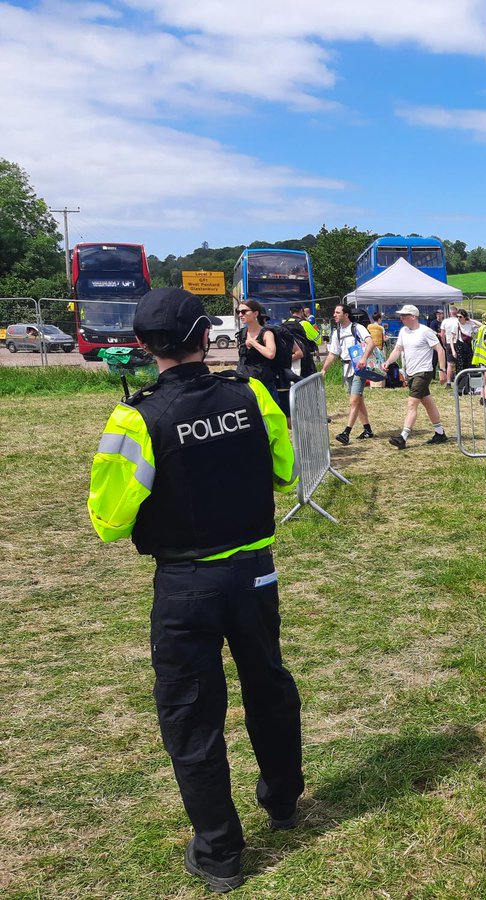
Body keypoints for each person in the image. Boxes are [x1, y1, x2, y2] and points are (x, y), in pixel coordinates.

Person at [87, 288, 303, 894]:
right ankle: (283, 799)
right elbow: (286, 470)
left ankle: (219, 852)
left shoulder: (135, 418)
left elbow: (109, 522)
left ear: (141, 346)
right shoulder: (251, 393)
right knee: (268, 683)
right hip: (254, 572)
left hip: (185, 583)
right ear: (207, 338)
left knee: (190, 711)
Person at [384, 304, 449, 448]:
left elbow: (440, 350)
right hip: (411, 373)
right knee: (428, 402)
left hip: (423, 372)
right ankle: (440, 433)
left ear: (413, 316)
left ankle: (403, 437)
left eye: (404, 315)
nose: (401, 318)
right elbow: (397, 349)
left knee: (412, 404)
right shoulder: (403, 331)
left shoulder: (425, 331)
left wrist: (442, 370)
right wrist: (388, 362)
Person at [320, 303, 375, 444]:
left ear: (346, 314)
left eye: (337, 312)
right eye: (335, 312)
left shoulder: (358, 327)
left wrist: (363, 359)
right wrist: (324, 369)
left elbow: (370, 343)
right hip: (347, 369)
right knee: (358, 400)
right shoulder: (337, 333)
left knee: (354, 400)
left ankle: (346, 432)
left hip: (359, 368)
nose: (334, 315)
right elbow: (333, 354)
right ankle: (368, 430)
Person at [454, 309, 479, 394]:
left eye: (460, 317)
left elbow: (481, 326)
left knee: (470, 366)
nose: (458, 318)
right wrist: (453, 351)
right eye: (457, 317)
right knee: (460, 367)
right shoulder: (456, 325)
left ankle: (468, 387)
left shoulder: (470, 324)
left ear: (465, 317)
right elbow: (452, 338)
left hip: (468, 346)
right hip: (459, 346)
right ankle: (459, 388)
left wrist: (470, 320)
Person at [440, 306, 461, 382]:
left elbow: (442, 335)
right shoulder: (459, 321)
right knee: (459, 363)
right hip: (458, 343)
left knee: (449, 364)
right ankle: (459, 380)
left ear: (449, 313)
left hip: (449, 342)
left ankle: (449, 381)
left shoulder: (445, 321)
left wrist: (444, 344)